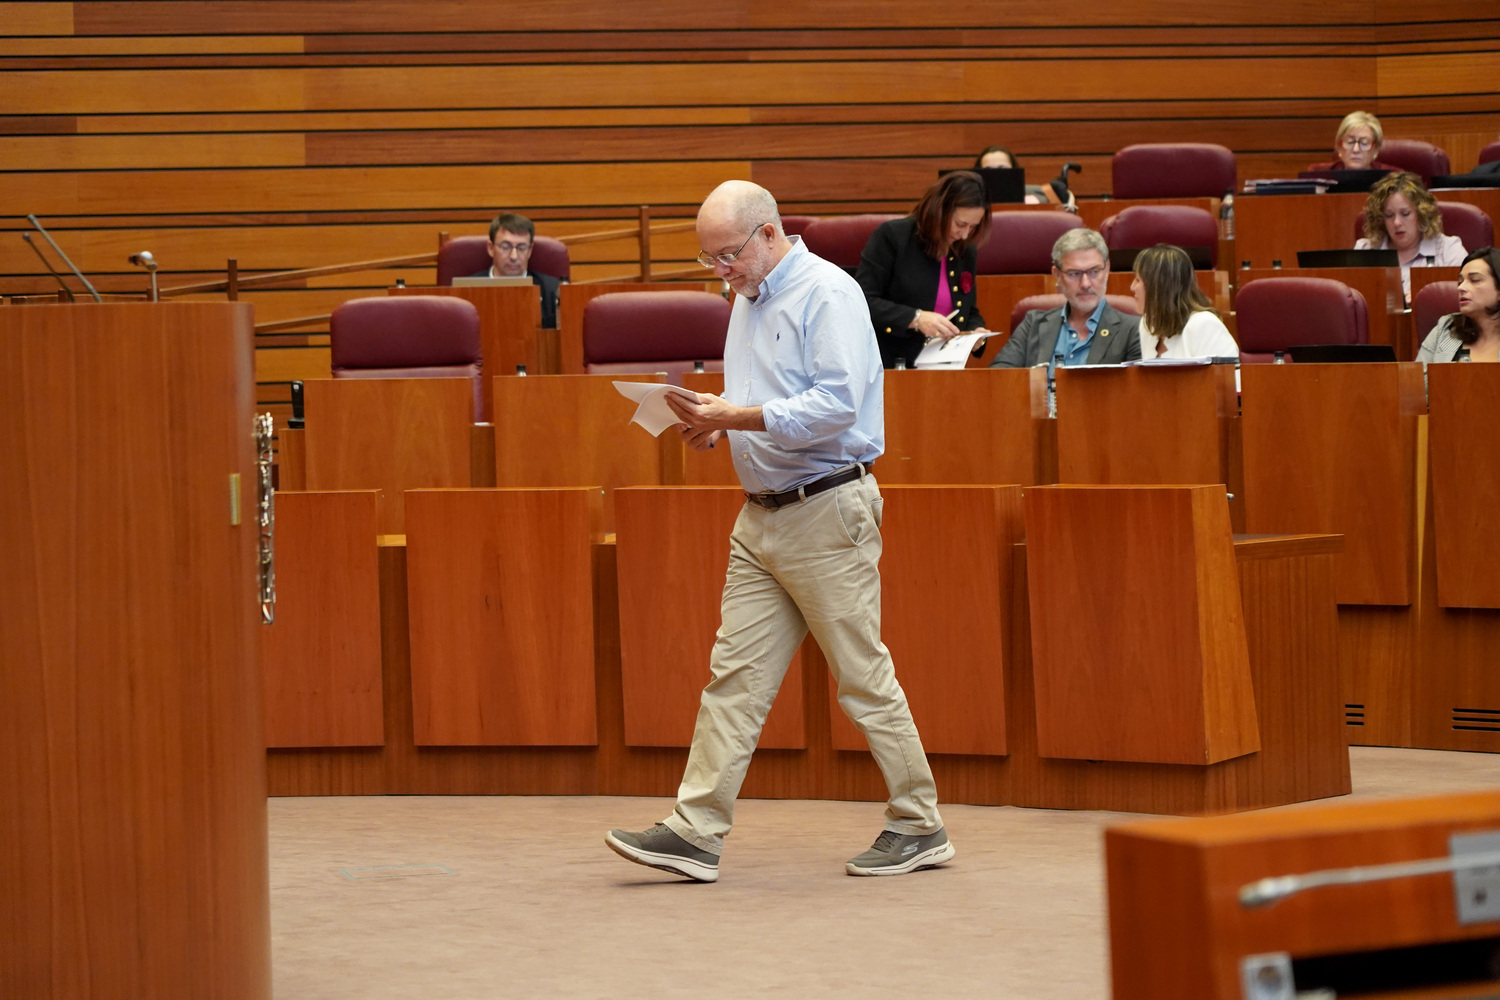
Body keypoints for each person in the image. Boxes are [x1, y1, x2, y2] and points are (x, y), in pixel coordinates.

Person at [605, 180, 952, 883]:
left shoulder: (829, 293)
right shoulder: (748, 296)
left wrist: (734, 418)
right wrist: (713, 426)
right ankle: (695, 830)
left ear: (769, 233)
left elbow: (835, 403)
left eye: (728, 255)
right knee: (733, 678)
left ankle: (920, 825)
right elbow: (763, 400)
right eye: (710, 261)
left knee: (861, 678)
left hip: (827, 509)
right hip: (761, 513)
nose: (722, 272)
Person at [855, 171, 992, 369]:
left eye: (972, 227)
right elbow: (862, 301)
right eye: (961, 224)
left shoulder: (965, 249)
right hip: (892, 364)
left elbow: (969, 310)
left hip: (945, 365)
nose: (964, 235)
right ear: (940, 211)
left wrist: (975, 331)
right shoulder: (893, 236)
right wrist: (916, 318)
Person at [988, 228, 1142, 368]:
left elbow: (1136, 393)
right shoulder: (1033, 324)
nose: (1085, 284)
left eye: (1094, 271)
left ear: (1107, 269)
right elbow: (999, 378)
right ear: (1057, 275)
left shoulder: (1133, 330)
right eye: (1074, 274)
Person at [1354, 171, 1467, 300]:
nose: (1397, 223)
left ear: (1421, 213)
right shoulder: (1366, 251)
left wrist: (1428, 298)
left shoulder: (1449, 250)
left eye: (1405, 214)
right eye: (1389, 215)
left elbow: (1466, 297)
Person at [1131, 244, 1240, 359]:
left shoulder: (1204, 325)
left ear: (1159, 287)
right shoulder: (1148, 325)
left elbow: (1226, 376)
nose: (1132, 287)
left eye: (1138, 280)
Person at [470, 211, 560, 328]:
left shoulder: (552, 290)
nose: (514, 256)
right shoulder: (465, 290)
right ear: (491, 248)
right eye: (505, 247)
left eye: (521, 248)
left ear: (530, 250)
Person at [1416, 247, 1500, 362]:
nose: (1461, 288)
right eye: (1460, 282)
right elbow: (1418, 378)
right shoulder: (1445, 328)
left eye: (1474, 280)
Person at [1306, 110, 1396, 172]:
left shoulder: (1393, 178)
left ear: (1376, 149)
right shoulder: (1318, 174)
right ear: (1339, 146)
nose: (1356, 150)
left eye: (1364, 143)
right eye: (1350, 142)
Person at [974, 146, 1047, 203]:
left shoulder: (1037, 197)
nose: (996, 175)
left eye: (1002, 169)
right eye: (988, 170)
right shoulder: (969, 201)